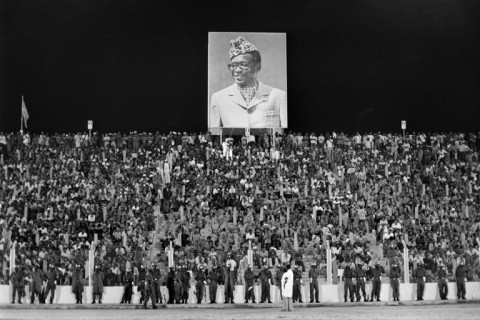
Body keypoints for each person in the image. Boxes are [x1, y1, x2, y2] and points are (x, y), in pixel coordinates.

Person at [210, 36, 288, 128]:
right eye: (233, 65)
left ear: (258, 67)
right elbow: (215, 135)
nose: (237, 70)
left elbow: (284, 133)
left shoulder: (278, 96)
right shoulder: (218, 98)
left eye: (243, 65)